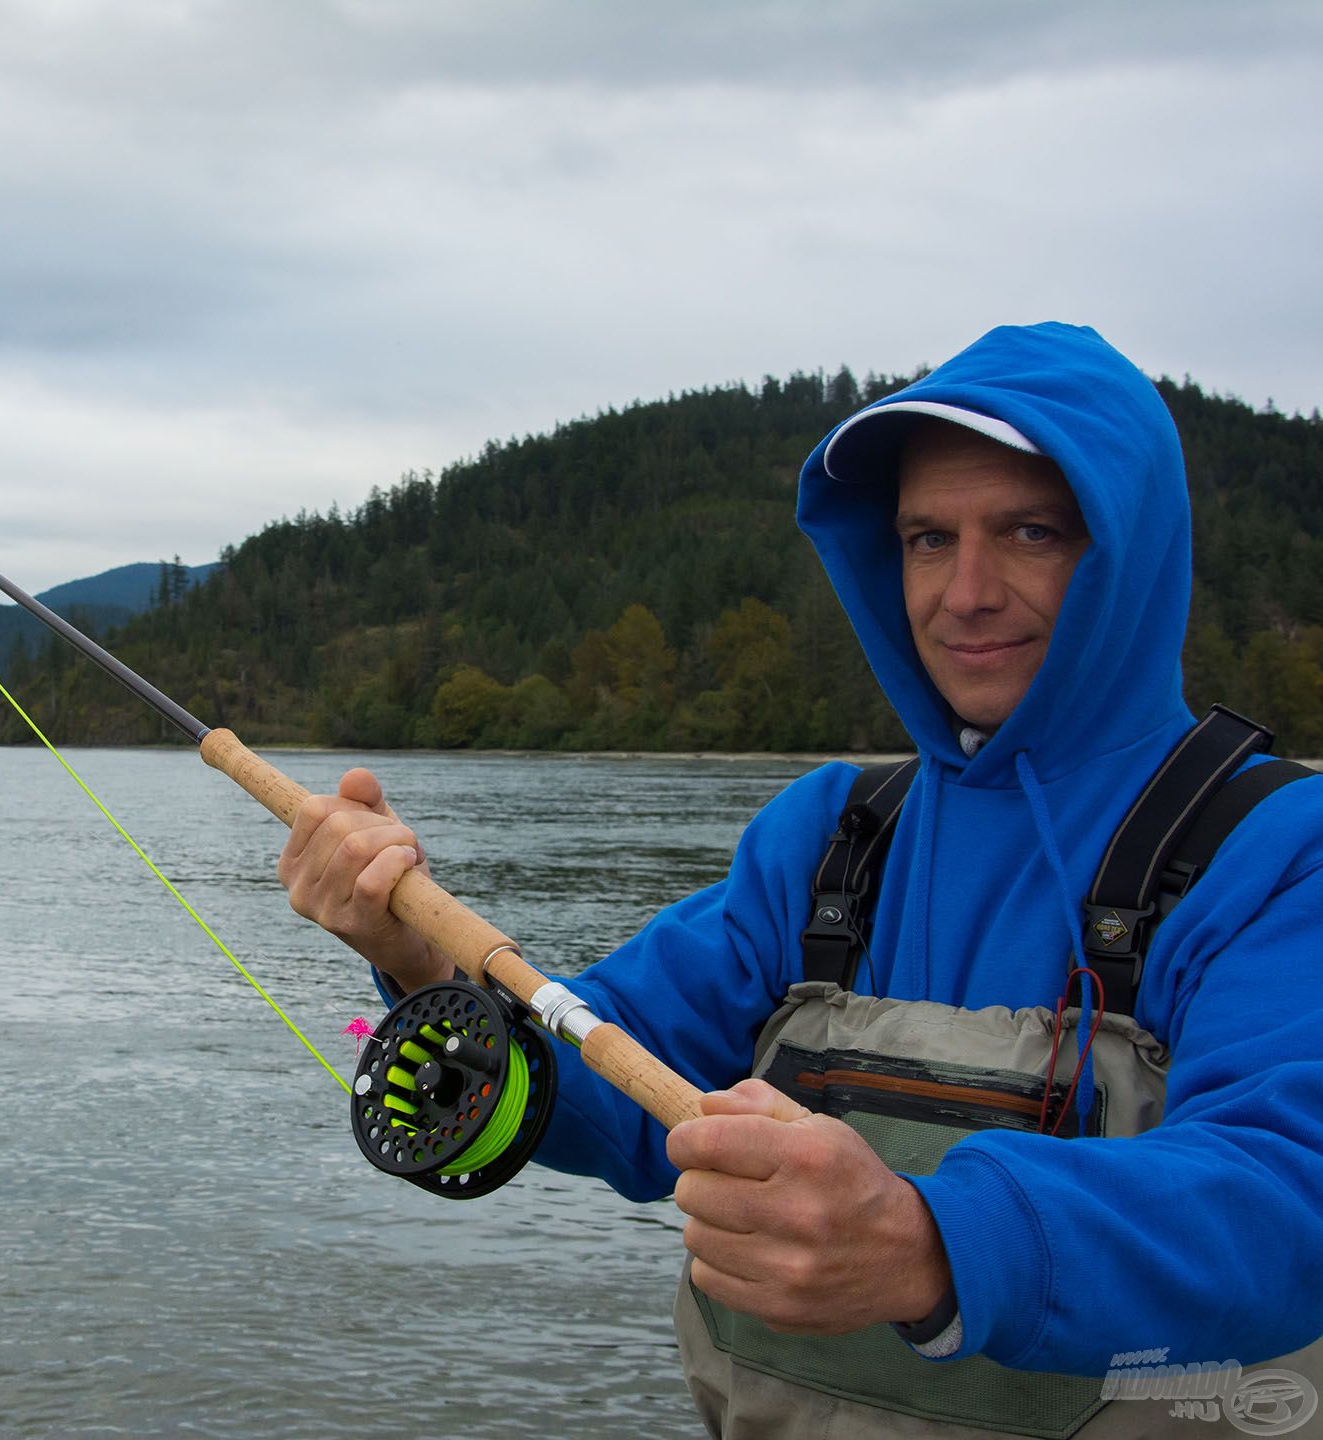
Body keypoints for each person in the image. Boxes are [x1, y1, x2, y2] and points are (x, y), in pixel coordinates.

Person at [277, 322, 1323, 1438]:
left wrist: (932, 1244)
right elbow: (608, 1089)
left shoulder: (1278, 849)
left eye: (1029, 532)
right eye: (928, 538)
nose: (964, 591)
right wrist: (420, 961)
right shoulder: (829, 838)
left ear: (1129, 551)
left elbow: (1282, 1198)